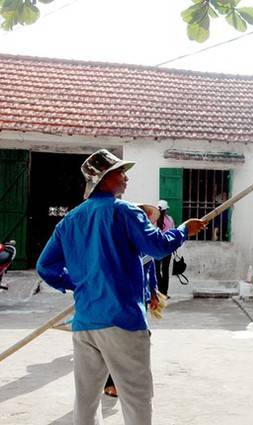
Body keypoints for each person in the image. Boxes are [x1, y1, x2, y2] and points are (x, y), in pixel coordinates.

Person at [36, 149, 206, 425]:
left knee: (86, 401)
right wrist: (184, 230)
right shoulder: (123, 211)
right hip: (122, 320)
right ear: (104, 179)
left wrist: (79, 283)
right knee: (136, 398)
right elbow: (157, 246)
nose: (126, 177)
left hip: (85, 323)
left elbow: (46, 267)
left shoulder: (70, 220)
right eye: (119, 172)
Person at [103, 203, 161, 399]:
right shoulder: (118, 242)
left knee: (135, 342)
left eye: (145, 217)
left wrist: (153, 293)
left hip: (139, 300)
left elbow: (151, 270)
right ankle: (111, 382)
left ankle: (125, 382)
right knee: (117, 342)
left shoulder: (146, 244)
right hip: (119, 300)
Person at [155, 200, 175, 297]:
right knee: (165, 270)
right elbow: (173, 233)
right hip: (167, 248)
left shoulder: (154, 220)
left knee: (157, 270)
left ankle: (158, 292)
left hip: (156, 248)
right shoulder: (170, 219)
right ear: (166, 209)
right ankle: (164, 293)